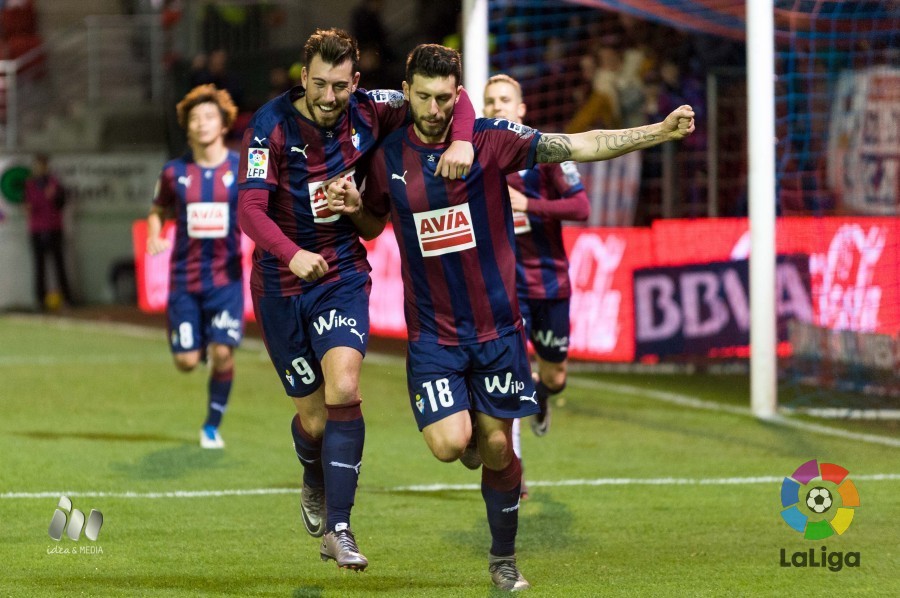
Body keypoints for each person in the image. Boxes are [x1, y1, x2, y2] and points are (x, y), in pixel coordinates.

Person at [333, 44, 693, 591]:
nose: (433, 109)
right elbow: (373, 224)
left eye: (443, 98)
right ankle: (474, 434)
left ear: (459, 97)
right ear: (407, 92)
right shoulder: (386, 157)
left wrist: (657, 132)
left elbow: (579, 143)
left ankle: (503, 558)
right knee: (450, 445)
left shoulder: (490, 141)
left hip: (498, 330)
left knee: (500, 446)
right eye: (423, 97)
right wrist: (354, 208)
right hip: (433, 335)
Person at [236, 28, 474, 571]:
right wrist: (291, 253)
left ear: (357, 83)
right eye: (318, 84)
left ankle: (339, 530)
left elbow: (448, 95)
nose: (328, 97)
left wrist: (462, 138)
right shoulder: (268, 127)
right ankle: (312, 468)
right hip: (279, 284)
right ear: (302, 78)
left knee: (345, 383)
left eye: (339, 86)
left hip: (341, 273)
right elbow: (250, 210)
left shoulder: (373, 110)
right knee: (316, 421)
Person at [482, 74, 591, 499]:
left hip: (548, 280)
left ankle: (544, 395)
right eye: (490, 100)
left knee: (555, 374)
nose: (496, 107)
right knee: (512, 377)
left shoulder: (545, 152)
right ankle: (515, 473)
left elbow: (580, 206)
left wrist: (529, 204)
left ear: (521, 109)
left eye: (505, 100)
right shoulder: (476, 155)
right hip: (504, 285)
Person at [146, 84, 243, 450]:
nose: (201, 124)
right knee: (187, 362)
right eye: (194, 118)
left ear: (223, 124)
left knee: (222, 353)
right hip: (184, 280)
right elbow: (157, 211)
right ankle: (198, 343)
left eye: (209, 117)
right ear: (186, 127)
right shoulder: (173, 172)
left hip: (226, 279)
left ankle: (211, 427)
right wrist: (155, 234)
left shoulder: (241, 169)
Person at [23, 153, 75, 310]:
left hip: (54, 228)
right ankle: (40, 300)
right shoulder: (30, 185)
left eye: (43, 165)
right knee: (39, 266)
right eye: (38, 165)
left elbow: (62, 204)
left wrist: (54, 196)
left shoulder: (55, 184)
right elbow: (25, 205)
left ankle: (67, 299)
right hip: (36, 230)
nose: (41, 168)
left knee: (59, 265)